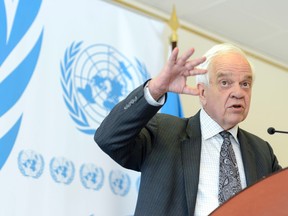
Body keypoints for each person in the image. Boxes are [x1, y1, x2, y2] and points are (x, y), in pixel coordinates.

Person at [94, 43, 282, 216]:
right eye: (225, 83)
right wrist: (157, 88)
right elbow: (108, 138)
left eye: (245, 84)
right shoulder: (163, 132)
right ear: (202, 92)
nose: (238, 93)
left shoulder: (261, 151)